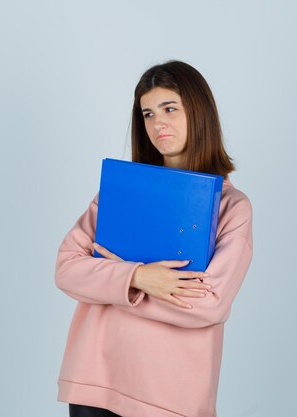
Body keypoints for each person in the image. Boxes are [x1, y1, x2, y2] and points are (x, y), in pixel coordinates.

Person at [55, 60, 253, 417]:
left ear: (198, 111)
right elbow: (67, 268)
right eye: (147, 113)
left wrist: (111, 282)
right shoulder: (119, 192)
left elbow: (209, 304)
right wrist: (140, 278)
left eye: (169, 108)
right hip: (96, 381)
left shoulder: (231, 207)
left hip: (172, 396)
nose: (157, 123)